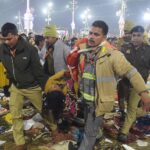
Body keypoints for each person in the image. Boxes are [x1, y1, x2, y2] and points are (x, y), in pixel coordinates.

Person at [67, 20, 150, 150]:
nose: (91, 37)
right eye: (90, 33)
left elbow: (132, 72)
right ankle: (92, 139)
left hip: (99, 102)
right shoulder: (85, 51)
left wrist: (143, 93)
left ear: (104, 37)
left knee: (90, 131)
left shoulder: (112, 55)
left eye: (96, 34)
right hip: (86, 100)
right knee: (89, 126)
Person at [0, 22, 53, 150]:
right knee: (15, 114)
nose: (7, 42)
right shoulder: (3, 49)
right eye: (4, 39)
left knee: (44, 111)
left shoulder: (30, 49)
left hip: (32, 87)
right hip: (16, 87)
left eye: (9, 39)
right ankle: (20, 143)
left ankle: (56, 130)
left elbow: (39, 72)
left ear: (16, 35)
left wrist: (47, 87)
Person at [118, 25, 150, 142]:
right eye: (134, 35)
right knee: (123, 105)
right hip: (124, 83)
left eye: (139, 35)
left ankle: (123, 132)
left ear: (143, 36)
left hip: (138, 85)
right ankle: (129, 120)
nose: (136, 38)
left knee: (131, 107)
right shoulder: (125, 48)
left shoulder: (148, 50)